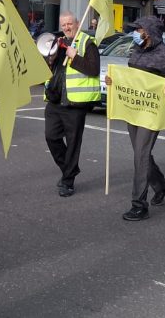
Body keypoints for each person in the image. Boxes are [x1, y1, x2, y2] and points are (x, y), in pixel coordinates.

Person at [117, 16, 165, 221]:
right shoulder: (136, 51)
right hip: (134, 109)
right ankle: (160, 185)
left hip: (152, 112)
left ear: (149, 32)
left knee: (141, 154)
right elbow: (130, 79)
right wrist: (113, 81)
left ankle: (139, 204)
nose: (136, 33)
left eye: (139, 29)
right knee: (140, 154)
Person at [43, 11, 100, 197]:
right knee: (51, 137)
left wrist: (75, 57)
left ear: (77, 23)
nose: (67, 28)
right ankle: (70, 169)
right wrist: (48, 58)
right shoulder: (56, 42)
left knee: (73, 143)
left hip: (75, 104)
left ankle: (68, 181)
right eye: (64, 25)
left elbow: (93, 69)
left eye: (70, 24)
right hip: (54, 101)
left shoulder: (87, 43)